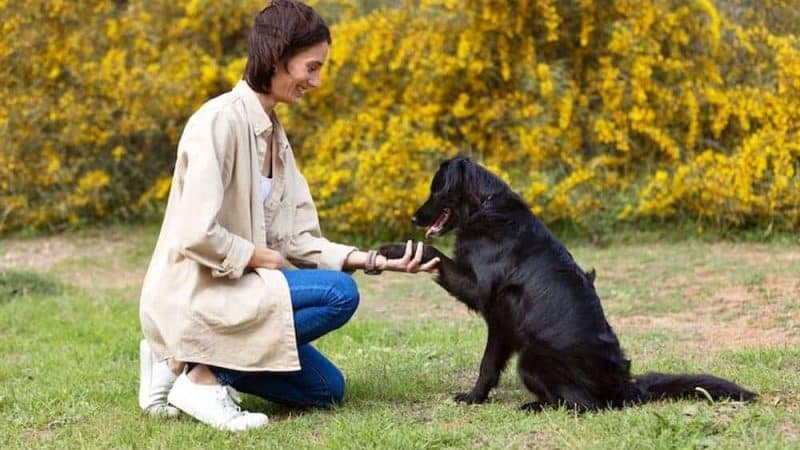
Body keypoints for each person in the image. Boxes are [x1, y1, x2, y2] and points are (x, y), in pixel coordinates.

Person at [137, 0, 439, 432]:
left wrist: (375, 261)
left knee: (325, 390)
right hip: (199, 292)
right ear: (278, 59)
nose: (316, 82)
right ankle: (203, 377)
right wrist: (261, 258)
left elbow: (297, 238)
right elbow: (194, 232)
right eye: (311, 67)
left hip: (238, 291)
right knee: (338, 294)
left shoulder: (275, 136)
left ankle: (178, 358)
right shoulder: (217, 122)